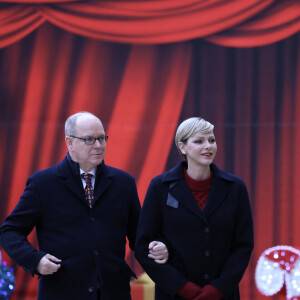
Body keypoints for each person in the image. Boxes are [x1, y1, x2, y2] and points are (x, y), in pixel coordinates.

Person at [0, 111, 168, 300]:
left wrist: (157, 246)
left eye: (102, 138)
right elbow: (10, 231)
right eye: (89, 139)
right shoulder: (43, 183)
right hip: (62, 291)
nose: (98, 145)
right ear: (69, 143)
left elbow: (140, 236)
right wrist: (35, 260)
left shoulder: (123, 182)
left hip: (113, 292)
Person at [135, 117, 254, 300]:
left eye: (211, 140)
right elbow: (143, 246)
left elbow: (243, 246)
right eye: (199, 141)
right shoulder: (160, 186)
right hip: (175, 295)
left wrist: (218, 289)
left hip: (222, 295)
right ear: (182, 147)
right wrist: (185, 289)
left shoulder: (235, 187)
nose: (208, 146)